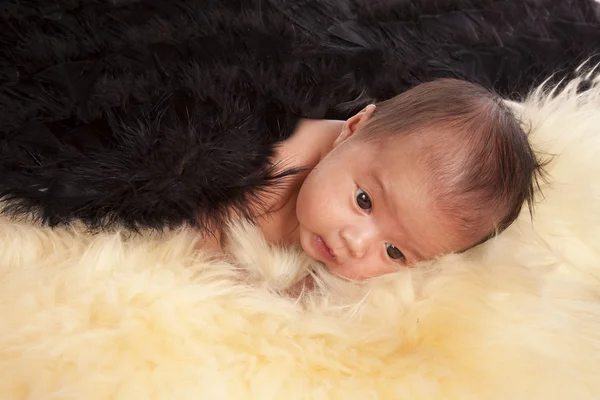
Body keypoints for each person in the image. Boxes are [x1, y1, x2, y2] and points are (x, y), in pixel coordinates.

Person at [202, 79, 544, 281]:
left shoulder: (357, 188)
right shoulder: (278, 163)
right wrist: (225, 273)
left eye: (394, 252)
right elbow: (197, 210)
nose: (357, 244)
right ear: (352, 129)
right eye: (364, 201)